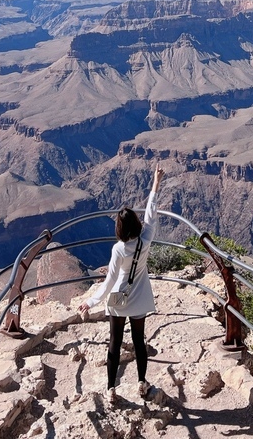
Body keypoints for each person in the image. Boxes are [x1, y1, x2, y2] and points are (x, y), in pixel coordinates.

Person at [79, 163, 165, 404]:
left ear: (119, 228)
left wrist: (91, 301)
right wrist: (155, 184)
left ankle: (110, 389)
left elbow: (109, 281)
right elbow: (151, 214)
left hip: (118, 300)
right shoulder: (145, 239)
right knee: (139, 342)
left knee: (114, 343)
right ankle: (141, 382)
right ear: (136, 225)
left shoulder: (118, 249)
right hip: (139, 299)